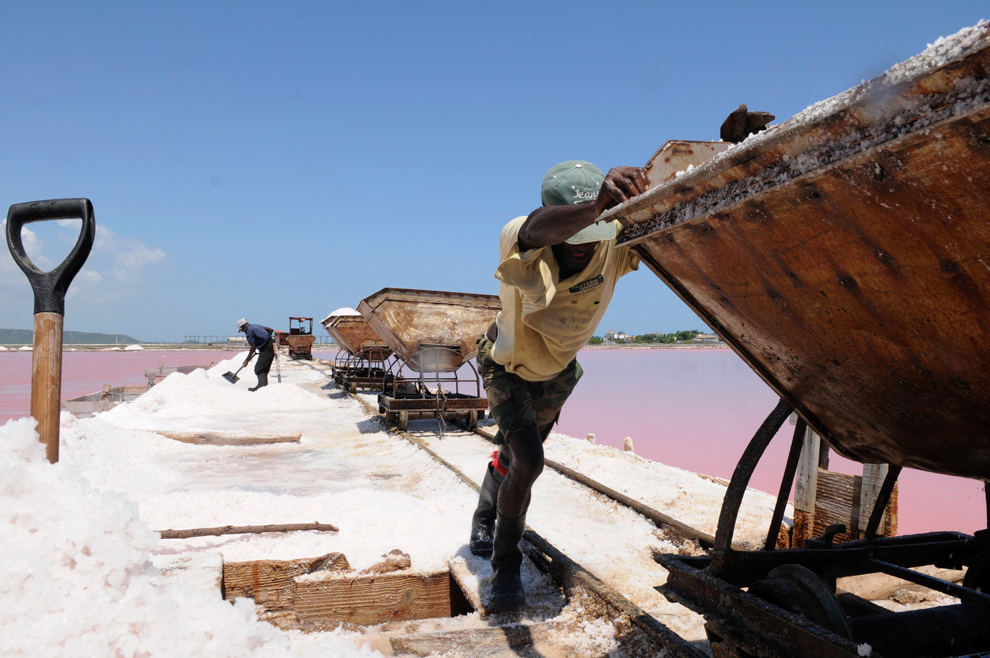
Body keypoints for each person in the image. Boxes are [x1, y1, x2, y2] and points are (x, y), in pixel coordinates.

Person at [469, 161, 650, 612]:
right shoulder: (523, 234)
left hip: (558, 372)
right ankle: (505, 565)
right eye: (573, 235)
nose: (581, 247)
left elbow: (668, 211)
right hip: (505, 365)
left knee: (513, 457)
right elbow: (533, 229)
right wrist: (594, 208)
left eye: (592, 235)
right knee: (530, 461)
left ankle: (485, 510)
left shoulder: (614, 241)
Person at [237, 318, 276, 391]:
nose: (242, 331)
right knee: (264, 368)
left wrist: (247, 360)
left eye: (241, 329)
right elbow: (270, 330)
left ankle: (262, 387)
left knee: (259, 368)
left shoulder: (249, 331)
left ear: (244, 326)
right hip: (270, 345)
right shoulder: (256, 326)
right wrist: (265, 340)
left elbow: (253, 347)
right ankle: (263, 386)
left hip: (267, 348)